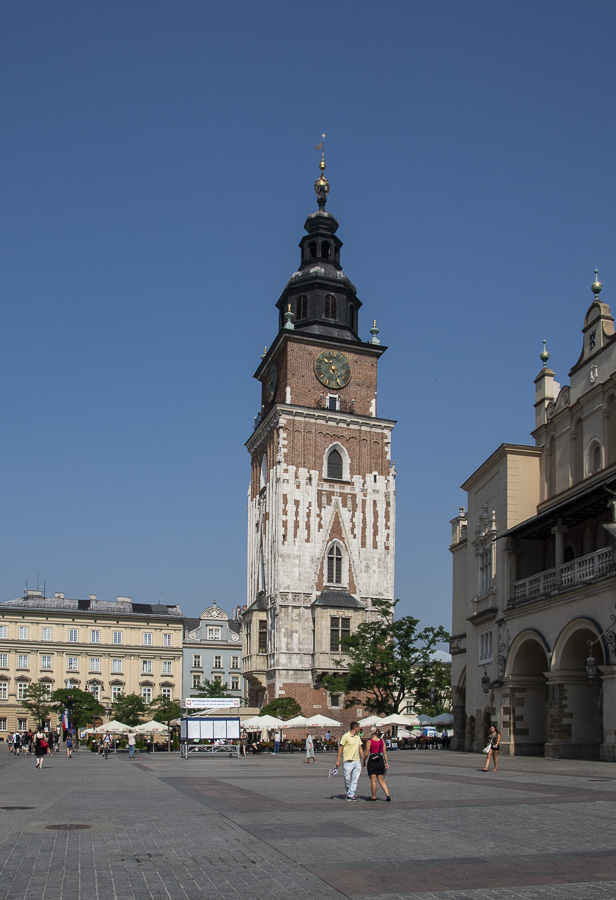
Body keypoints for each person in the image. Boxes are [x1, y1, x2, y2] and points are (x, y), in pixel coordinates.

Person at [335, 721, 364, 801]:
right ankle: (349, 793)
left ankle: (351, 795)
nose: (359, 729)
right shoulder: (346, 736)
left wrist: (363, 759)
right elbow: (340, 748)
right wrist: (338, 760)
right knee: (347, 778)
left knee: (355, 779)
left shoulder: (357, 737)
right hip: (347, 761)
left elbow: (360, 748)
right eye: (359, 727)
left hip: (357, 761)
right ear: (355, 728)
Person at [364, 727, 390, 801]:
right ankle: (388, 795)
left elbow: (366, 753)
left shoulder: (369, 742)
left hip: (372, 761)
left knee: (373, 780)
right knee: (381, 780)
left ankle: (373, 796)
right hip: (380, 761)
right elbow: (385, 753)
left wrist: (363, 761)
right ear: (377, 733)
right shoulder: (382, 742)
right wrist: (386, 762)